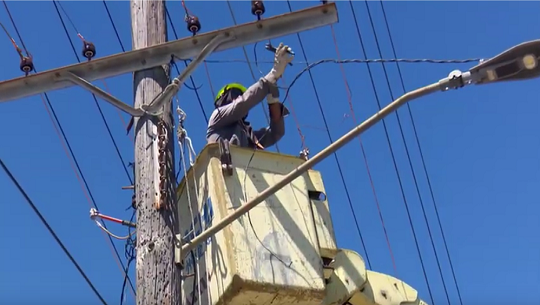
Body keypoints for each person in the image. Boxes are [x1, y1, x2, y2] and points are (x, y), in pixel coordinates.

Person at [206, 43, 294, 150]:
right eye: (233, 94)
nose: (236, 99)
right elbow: (242, 104)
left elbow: (276, 133)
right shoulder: (217, 117)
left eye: (240, 95)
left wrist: (273, 99)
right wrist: (273, 75)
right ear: (222, 99)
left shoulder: (248, 137)